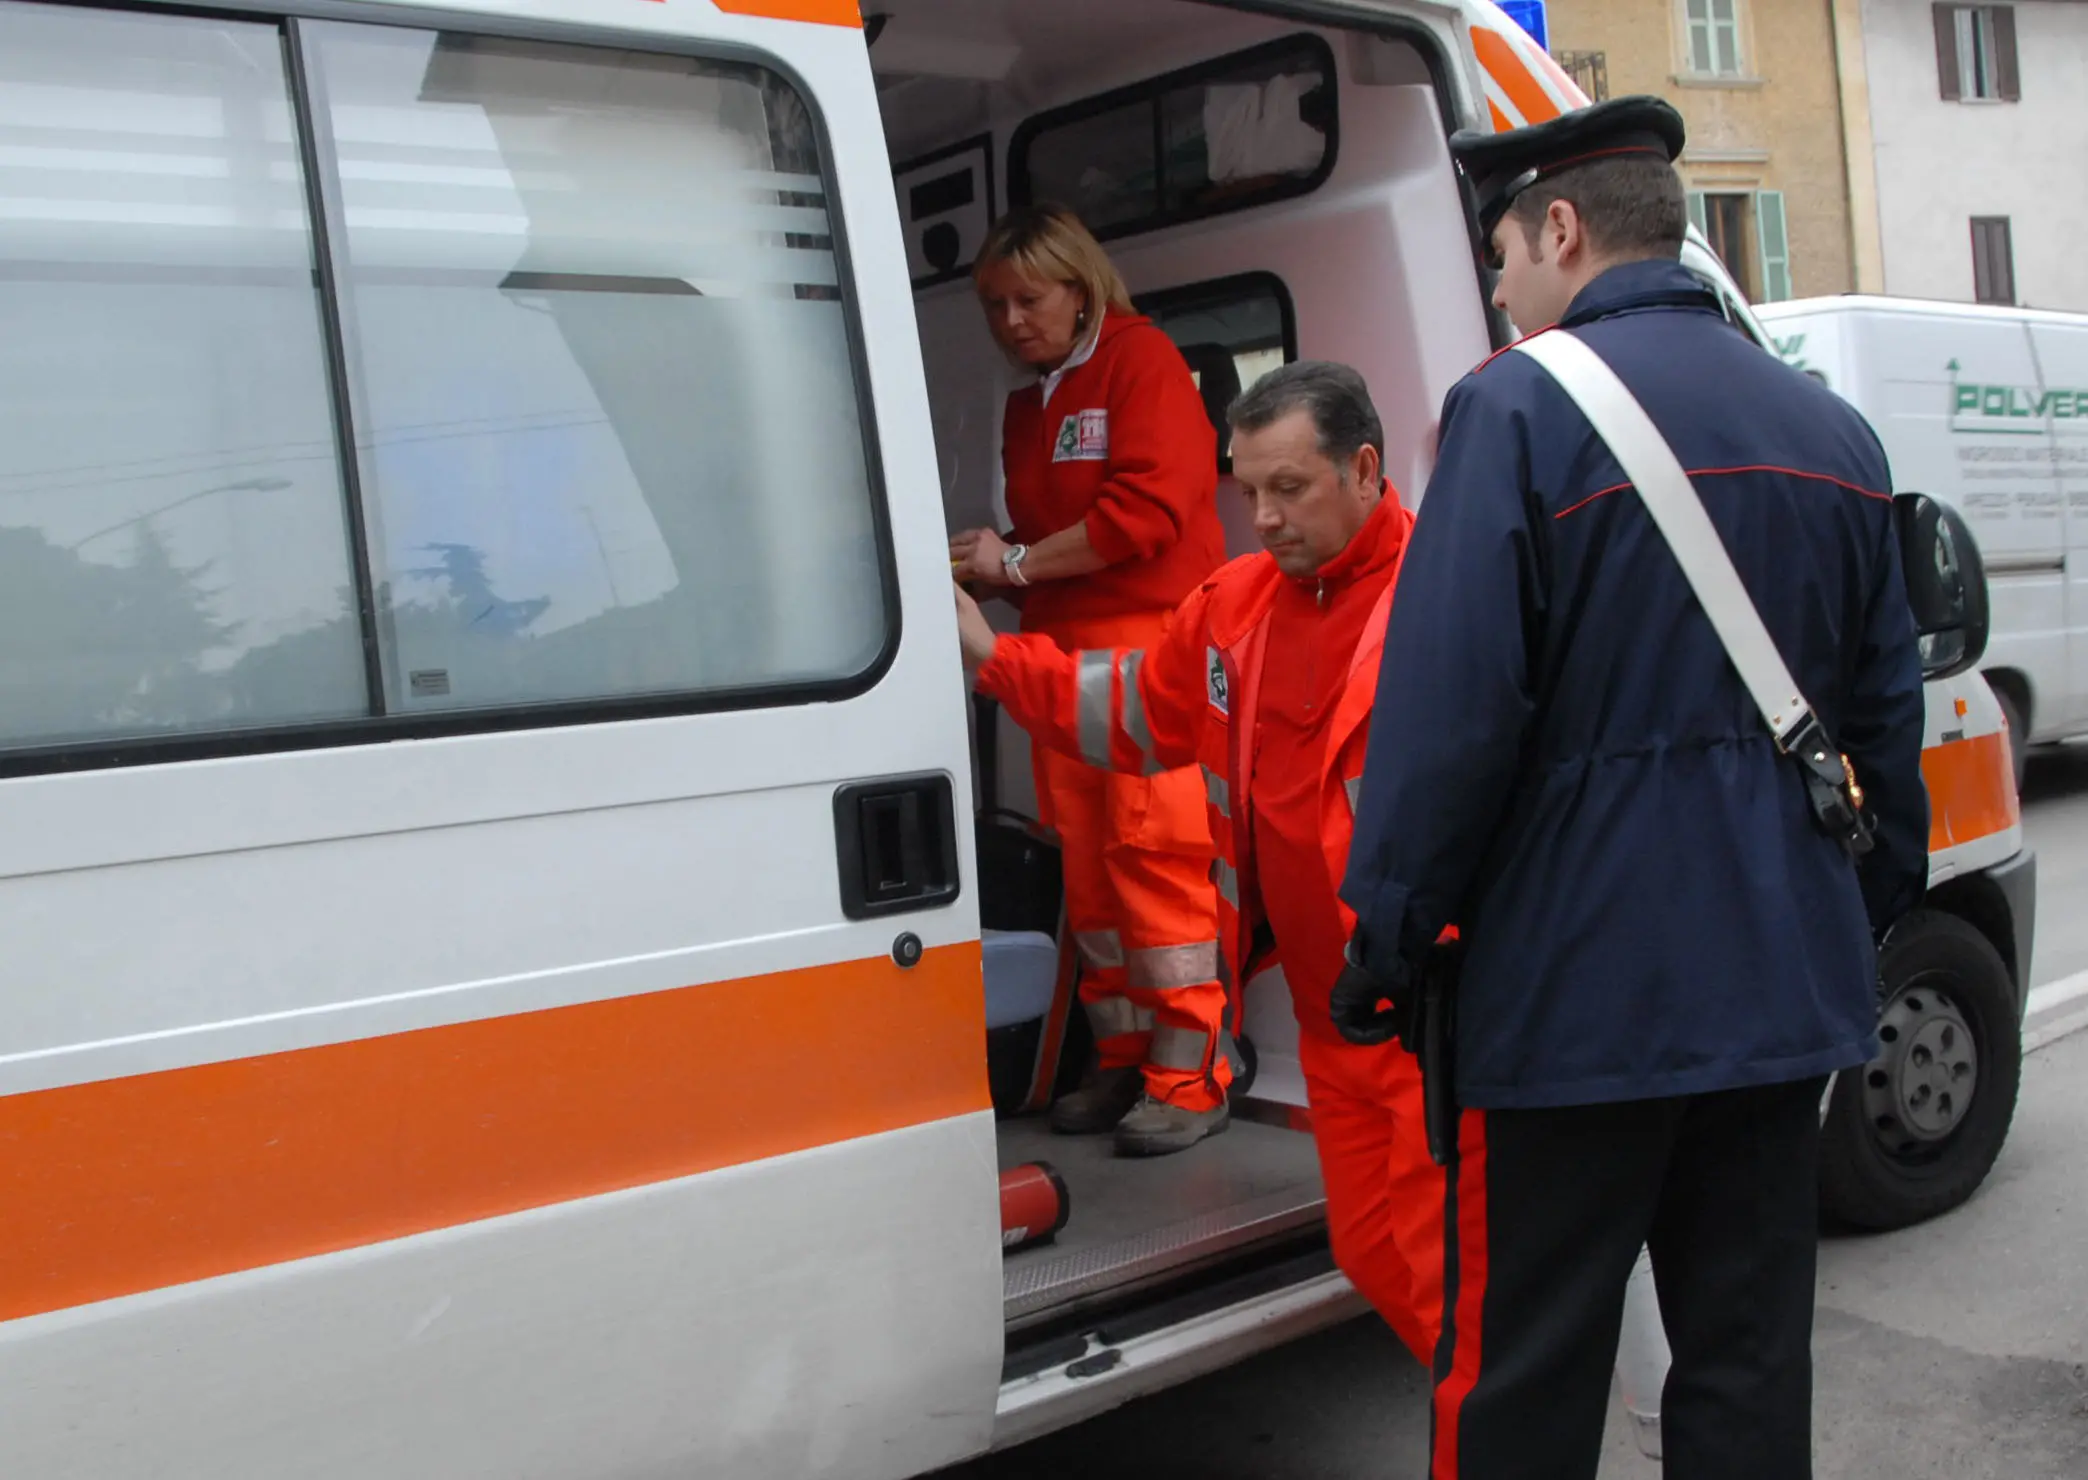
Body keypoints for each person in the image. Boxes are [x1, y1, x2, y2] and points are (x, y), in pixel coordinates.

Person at [1333, 96, 1929, 1479]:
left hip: (1573, 1003)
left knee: (1530, 1363)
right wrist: (1841, 913)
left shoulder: (1513, 408)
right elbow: (1885, 737)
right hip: (1783, 994)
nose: (1497, 288)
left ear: (1560, 228)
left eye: (1501, 257)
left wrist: (1392, 932)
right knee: (1747, 1355)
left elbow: (1451, 718)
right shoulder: (1834, 431)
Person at [956, 362, 1445, 1361]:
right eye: (1246, 489)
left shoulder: (1451, 598)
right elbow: (1134, 712)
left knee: (1456, 1295)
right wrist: (993, 658)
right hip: (1333, 1022)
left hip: (1437, 1027)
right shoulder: (1236, 606)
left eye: (1289, 488)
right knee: (1374, 1252)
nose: (1262, 516)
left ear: (1364, 470)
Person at [951, 204, 1231, 1156]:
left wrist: (1013, 567)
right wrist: (1000, 570)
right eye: (995, 304)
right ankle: (1121, 1059)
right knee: (1092, 871)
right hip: (1064, 658)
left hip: (1152, 650)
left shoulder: (1141, 363)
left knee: (1157, 861)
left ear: (1082, 289)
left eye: (1030, 298)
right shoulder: (1030, 403)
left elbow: (1143, 515)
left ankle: (1190, 1076)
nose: (1012, 320)